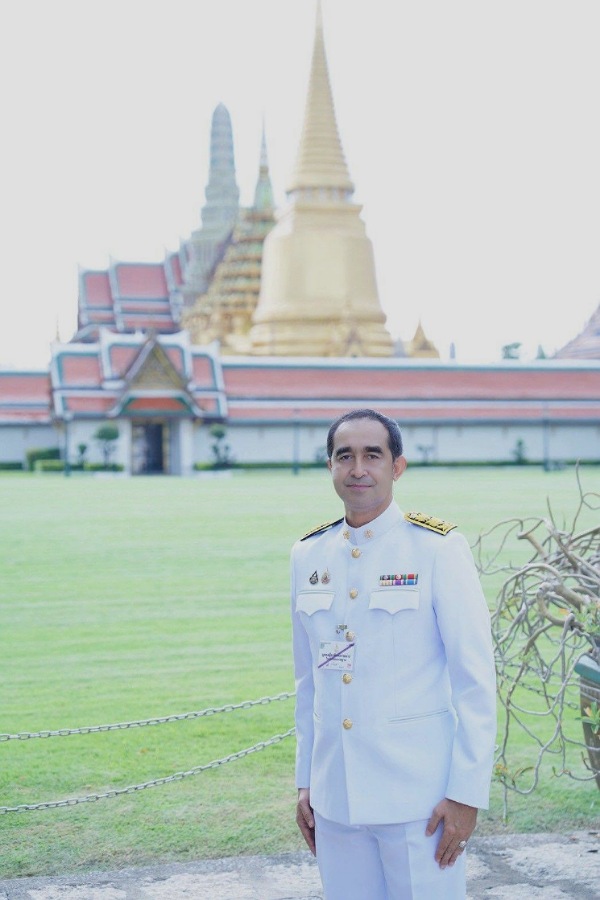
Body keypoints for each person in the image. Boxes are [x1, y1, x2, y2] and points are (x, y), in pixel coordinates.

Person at [290, 409, 496, 900]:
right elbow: (309, 681)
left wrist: (466, 794)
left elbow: (475, 681)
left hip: (419, 801)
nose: (358, 468)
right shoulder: (308, 554)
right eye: (345, 456)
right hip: (336, 798)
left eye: (373, 455)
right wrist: (307, 781)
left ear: (397, 467)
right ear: (330, 466)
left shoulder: (436, 549)